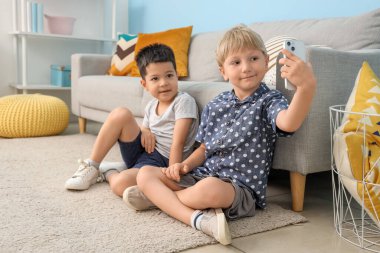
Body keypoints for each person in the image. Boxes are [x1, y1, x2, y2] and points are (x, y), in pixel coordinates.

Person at [124, 25, 316, 245]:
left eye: (253, 58)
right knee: (145, 173)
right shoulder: (216, 104)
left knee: (209, 189)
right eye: (236, 62)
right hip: (201, 176)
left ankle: (158, 199)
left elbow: (289, 123)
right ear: (223, 71)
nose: (246, 68)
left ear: (265, 61)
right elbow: (205, 148)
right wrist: (185, 166)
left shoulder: (269, 101)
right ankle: (196, 218)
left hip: (239, 188)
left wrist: (305, 88)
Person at [65, 44, 199, 201]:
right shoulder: (151, 106)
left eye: (169, 75)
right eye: (155, 78)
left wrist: (171, 175)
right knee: (120, 113)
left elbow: (179, 143)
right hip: (144, 152)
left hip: (163, 163)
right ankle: (92, 166)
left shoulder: (183, 101)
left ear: (177, 75)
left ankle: (109, 172)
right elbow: (145, 128)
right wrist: (145, 130)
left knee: (120, 184)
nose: (163, 83)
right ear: (145, 84)